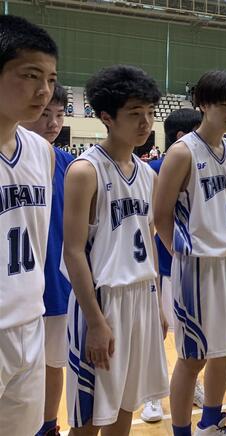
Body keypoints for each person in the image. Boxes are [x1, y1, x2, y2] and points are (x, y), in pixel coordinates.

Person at [62, 65, 169, 435]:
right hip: (102, 302)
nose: (145, 122)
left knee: (126, 403)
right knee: (90, 418)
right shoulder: (85, 171)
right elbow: (73, 252)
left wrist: (158, 305)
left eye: (150, 112)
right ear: (107, 117)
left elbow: (149, 240)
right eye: (135, 113)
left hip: (142, 297)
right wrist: (95, 322)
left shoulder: (148, 174)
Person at [154, 70, 226, 436]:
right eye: (225, 106)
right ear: (203, 105)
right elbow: (161, 214)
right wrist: (183, 255)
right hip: (196, 268)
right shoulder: (183, 152)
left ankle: (210, 424)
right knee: (192, 358)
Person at [0, 15, 57, 436]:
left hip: (30, 321)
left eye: (51, 79)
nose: (44, 91)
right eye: (31, 75)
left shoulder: (41, 152)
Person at [139, 108, 205, 423]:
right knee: (158, 331)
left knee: (190, 333)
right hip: (164, 266)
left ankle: (191, 385)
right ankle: (152, 394)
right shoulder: (152, 170)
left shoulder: (203, 166)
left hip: (196, 267)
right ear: (182, 136)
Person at [19, 82, 73, 436]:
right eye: (44, 114)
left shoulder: (71, 165)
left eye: (59, 115)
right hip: (18, 288)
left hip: (57, 284)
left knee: (54, 363)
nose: (52, 123)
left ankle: (49, 426)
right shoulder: (15, 159)